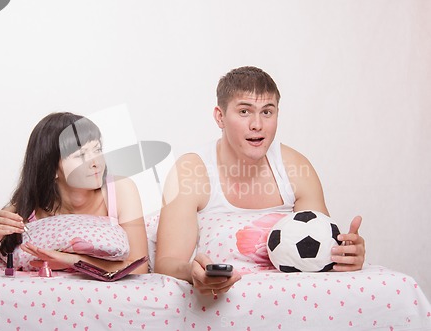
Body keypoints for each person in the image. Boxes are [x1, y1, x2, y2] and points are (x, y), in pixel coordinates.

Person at [154, 66, 365, 295]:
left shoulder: (296, 168)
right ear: (220, 116)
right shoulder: (191, 171)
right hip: (216, 303)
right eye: (245, 112)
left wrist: (345, 255)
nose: (257, 125)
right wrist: (192, 272)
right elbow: (166, 263)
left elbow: (321, 251)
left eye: (267, 112)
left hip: (286, 300)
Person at [0, 112, 148, 274]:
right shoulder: (28, 209)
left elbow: (139, 267)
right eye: (82, 155)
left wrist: (70, 260)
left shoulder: (119, 189)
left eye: (98, 149)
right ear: (53, 169)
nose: (96, 163)